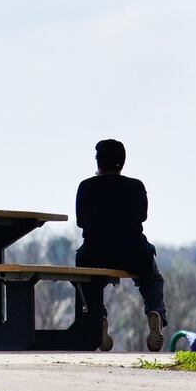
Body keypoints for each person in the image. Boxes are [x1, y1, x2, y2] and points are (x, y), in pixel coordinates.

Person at [75, 138, 168, 352]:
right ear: (123, 162)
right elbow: (142, 216)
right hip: (133, 252)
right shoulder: (136, 186)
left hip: (94, 253)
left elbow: (81, 221)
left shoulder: (86, 187)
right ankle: (155, 312)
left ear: (98, 162)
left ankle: (99, 316)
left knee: (84, 277)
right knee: (151, 278)